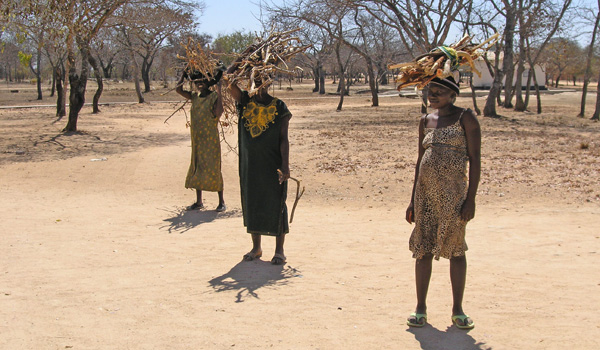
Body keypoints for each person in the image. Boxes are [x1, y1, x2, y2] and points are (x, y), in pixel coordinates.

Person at [405, 76, 481, 330]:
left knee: (456, 249)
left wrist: (470, 199)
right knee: (423, 248)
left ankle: (457, 309)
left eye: (439, 91)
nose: (433, 95)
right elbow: (419, 161)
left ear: (453, 95)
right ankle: (420, 308)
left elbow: (476, 159)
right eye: (430, 90)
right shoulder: (425, 121)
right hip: (425, 196)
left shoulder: (465, 118)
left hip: (453, 196)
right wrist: (412, 201)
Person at [226, 60, 292, 265]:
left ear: (270, 82)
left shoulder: (279, 106)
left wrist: (285, 165)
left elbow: (283, 138)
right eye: (256, 79)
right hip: (250, 164)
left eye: (264, 80)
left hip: (272, 164)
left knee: (276, 203)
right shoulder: (244, 101)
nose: (260, 83)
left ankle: (279, 250)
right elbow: (228, 81)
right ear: (250, 80)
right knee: (253, 202)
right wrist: (242, 61)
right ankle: (256, 248)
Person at [175, 68, 226, 212]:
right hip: (197, 138)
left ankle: (221, 201)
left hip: (210, 139)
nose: (200, 84)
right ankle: (199, 202)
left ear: (208, 81)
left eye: (202, 81)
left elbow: (218, 113)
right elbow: (178, 90)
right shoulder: (194, 97)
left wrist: (220, 91)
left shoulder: (214, 96)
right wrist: (184, 75)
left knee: (213, 167)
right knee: (198, 166)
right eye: (197, 81)